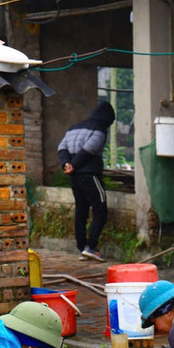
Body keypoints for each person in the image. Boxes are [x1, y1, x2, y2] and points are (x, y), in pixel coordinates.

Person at [56, 99, 116, 261]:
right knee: (100, 209)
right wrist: (73, 165)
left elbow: (62, 147)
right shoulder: (99, 129)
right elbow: (90, 149)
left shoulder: (73, 128)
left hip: (75, 177)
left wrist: (67, 164)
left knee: (81, 210)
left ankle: (82, 247)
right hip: (90, 174)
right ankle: (91, 247)